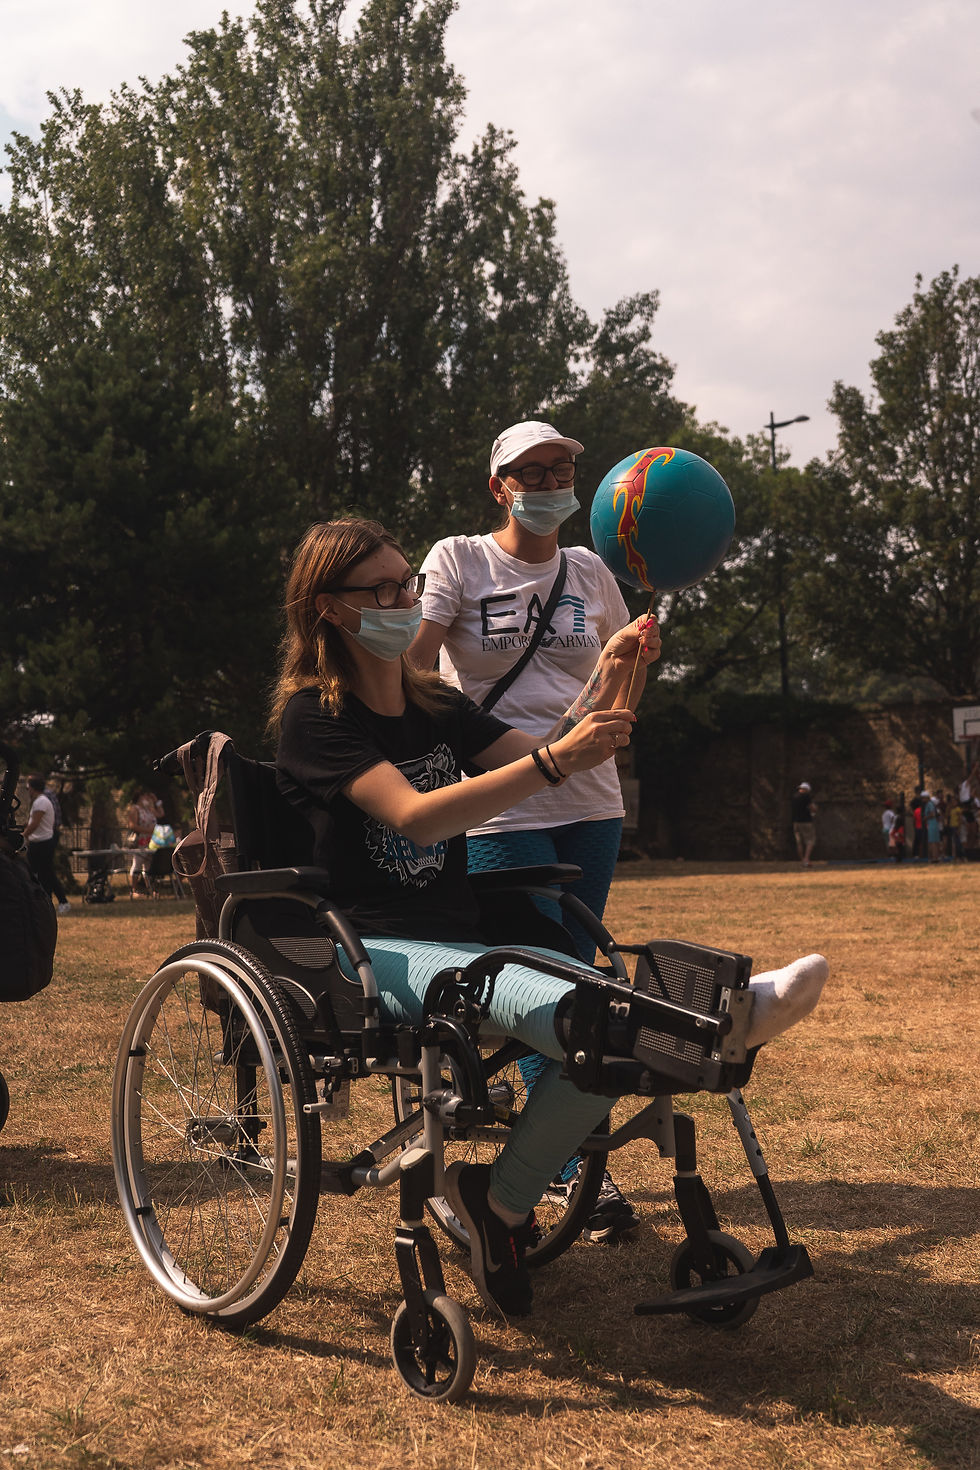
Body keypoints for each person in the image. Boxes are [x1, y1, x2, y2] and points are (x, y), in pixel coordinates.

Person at [271, 517, 829, 1319]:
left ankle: (499, 1202)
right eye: (385, 589)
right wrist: (553, 760)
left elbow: (560, 750)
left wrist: (614, 675)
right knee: (589, 1018)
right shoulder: (314, 718)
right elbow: (420, 818)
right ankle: (711, 1022)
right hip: (372, 948)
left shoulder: (437, 706)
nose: (405, 600)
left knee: (612, 1028)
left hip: (461, 938)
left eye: (409, 584)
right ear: (330, 608)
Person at [410, 419, 642, 1241]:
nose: (549, 486)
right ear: (498, 485)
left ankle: (554, 1143)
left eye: (560, 471)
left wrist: (627, 674)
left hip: (592, 801)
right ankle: (574, 1167)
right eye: (531, 473)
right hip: (501, 796)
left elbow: (618, 684)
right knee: (547, 980)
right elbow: (412, 670)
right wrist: (477, 742)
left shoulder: (592, 570)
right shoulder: (460, 559)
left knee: (578, 964)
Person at [23, 776, 71, 915]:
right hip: (39, 842)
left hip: (42, 843)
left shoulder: (41, 802)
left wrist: (24, 836)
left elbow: (35, 823)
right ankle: (45, 902)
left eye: (28, 788)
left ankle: (62, 901)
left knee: (45, 874)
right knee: (41, 874)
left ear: (33, 788)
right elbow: (31, 822)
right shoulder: (39, 802)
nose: (28, 791)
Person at [125, 789, 165, 897]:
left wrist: (156, 801)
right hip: (140, 840)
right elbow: (132, 825)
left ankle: (150, 889)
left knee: (148, 866)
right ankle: (133, 889)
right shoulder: (135, 809)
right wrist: (148, 831)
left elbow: (161, 814)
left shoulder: (149, 809)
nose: (147, 800)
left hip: (151, 841)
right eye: (145, 797)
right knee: (137, 863)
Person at [791, 782, 817, 868]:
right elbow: (812, 808)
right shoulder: (806, 796)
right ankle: (806, 859)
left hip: (796, 822)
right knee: (810, 841)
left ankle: (803, 861)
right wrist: (815, 810)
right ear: (806, 790)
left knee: (799, 842)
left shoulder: (794, 797)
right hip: (806, 822)